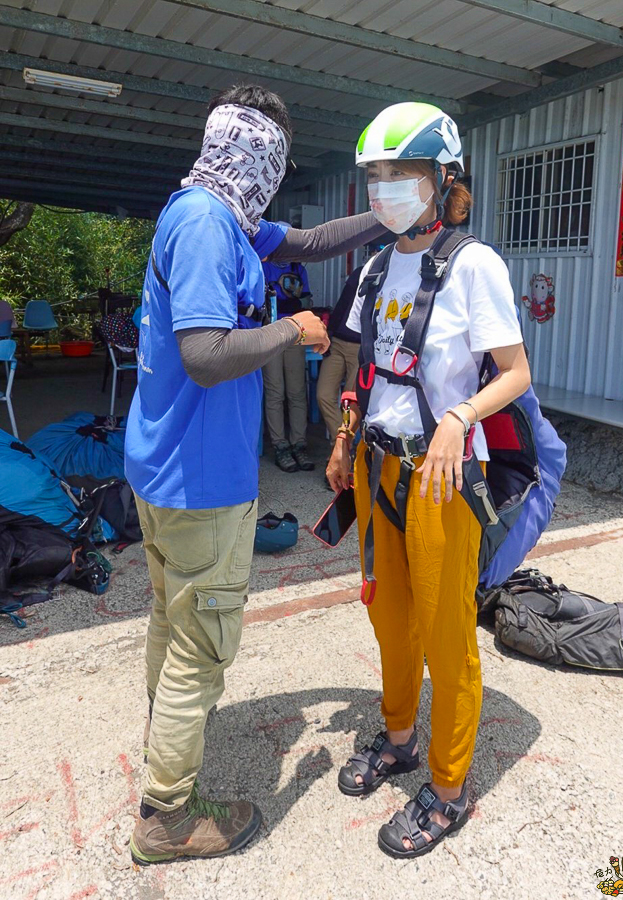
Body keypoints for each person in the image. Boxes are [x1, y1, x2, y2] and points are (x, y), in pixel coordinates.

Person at [125, 82, 385, 866]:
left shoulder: (222, 217)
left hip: (167, 470)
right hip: (198, 479)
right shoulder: (206, 225)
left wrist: (388, 213)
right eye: (275, 158)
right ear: (256, 156)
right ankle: (166, 817)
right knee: (200, 645)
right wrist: (292, 331)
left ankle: (167, 745)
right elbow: (205, 357)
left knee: (174, 627)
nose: (274, 176)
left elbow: (308, 243)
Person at [326, 102, 531, 858]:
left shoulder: (474, 263)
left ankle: (449, 789)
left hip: (444, 476)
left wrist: (458, 417)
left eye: (401, 174)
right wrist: (346, 439)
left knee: (447, 638)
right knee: (389, 618)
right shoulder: (377, 264)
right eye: (376, 177)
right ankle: (400, 737)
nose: (386, 190)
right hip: (377, 466)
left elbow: (514, 373)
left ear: (441, 179)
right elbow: (363, 363)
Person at [261, 258, 313, 472]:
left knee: (297, 391)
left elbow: (307, 300)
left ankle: (299, 444)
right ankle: (280, 446)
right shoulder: (263, 266)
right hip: (270, 334)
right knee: (275, 391)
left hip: (296, 333)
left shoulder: (298, 268)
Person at [316, 262, 365, 463]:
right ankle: (344, 446)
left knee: (352, 404)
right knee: (324, 395)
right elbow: (342, 304)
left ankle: (342, 454)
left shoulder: (392, 277)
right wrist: (328, 335)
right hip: (338, 342)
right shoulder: (360, 272)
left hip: (361, 348)